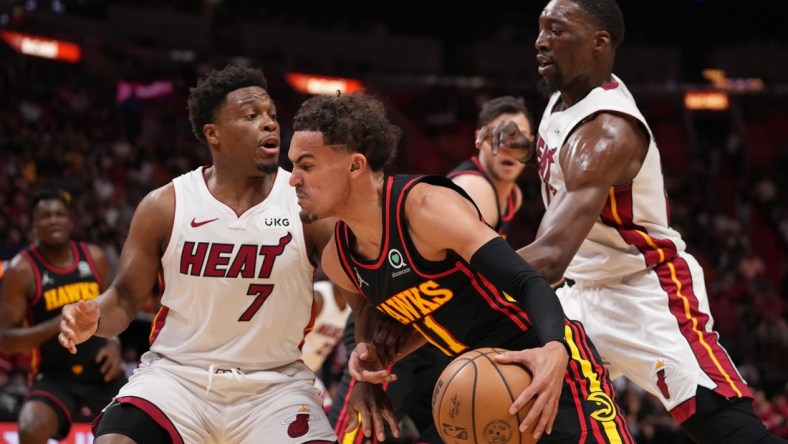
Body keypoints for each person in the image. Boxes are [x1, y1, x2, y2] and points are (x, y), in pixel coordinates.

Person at [477, 1, 787, 443]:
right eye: (540, 29)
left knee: (723, 429)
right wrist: (526, 149)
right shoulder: (564, 99)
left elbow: (547, 259)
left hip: (644, 292)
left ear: (599, 43)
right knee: (507, 394)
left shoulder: (608, 129)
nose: (540, 41)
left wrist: (459, 270)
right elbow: (567, 163)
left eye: (556, 30)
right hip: (578, 295)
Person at [57, 65, 384, 443]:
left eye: (272, 115)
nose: (269, 124)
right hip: (176, 380)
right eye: (251, 116)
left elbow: (363, 300)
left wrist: (364, 374)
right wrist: (94, 317)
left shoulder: (306, 207)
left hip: (274, 387)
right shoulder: (165, 205)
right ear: (213, 134)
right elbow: (125, 299)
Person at [287, 91, 635, 443]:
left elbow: (530, 282)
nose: (293, 179)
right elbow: (364, 315)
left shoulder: (426, 209)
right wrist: (366, 373)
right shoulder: (338, 259)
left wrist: (554, 349)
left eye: (306, 165)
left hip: (541, 355)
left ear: (355, 165)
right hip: (476, 378)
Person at [329, 95, 537, 443]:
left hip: (435, 326)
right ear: (480, 137)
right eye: (498, 134)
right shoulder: (476, 186)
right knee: (359, 428)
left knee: (454, 426)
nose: (507, 145)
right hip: (399, 318)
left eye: (518, 135)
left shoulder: (511, 196)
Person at [0, 189, 126, 444]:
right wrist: (58, 323)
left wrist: (114, 343)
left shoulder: (96, 258)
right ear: (33, 225)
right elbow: (6, 340)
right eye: (45, 216)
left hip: (102, 370)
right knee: (30, 427)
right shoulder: (20, 270)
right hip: (55, 374)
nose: (53, 220)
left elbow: (117, 308)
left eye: (59, 214)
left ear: (70, 221)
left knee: (130, 433)